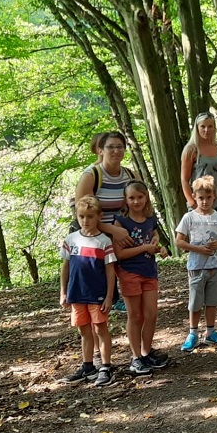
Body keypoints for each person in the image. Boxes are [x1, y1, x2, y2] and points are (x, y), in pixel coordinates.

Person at [74, 131, 138, 312]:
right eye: (111, 147)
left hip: (124, 233)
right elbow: (81, 213)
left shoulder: (131, 175)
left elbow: (141, 204)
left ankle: (129, 298)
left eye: (120, 147)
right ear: (100, 150)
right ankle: (102, 302)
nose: (116, 151)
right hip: (96, 235)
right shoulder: (92, 176)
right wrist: (111, 231)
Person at [113, 181, 170, 374]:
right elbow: (119, 254)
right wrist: (145, 248)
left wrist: (158, 246)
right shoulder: (121, 222)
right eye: (131, 198)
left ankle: (146, 353)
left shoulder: (150, 219)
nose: (136, 201)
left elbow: (154, 237)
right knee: (135, 315)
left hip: (149, 271)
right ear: (126, 200)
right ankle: (136, 357)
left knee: (151, 314)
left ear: (146, 197)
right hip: (129, 272)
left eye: (140, 197)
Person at [59, 196, 116, 387]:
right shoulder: (70, 240)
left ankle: (106, 367)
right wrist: (63, 292)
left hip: (97, 295)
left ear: (99, 216)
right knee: (84, 330)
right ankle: (88, 366)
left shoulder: (104, 241)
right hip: (77, 293)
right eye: (82, 216)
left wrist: (109, 296)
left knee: (100, 328)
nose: (86, 221)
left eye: (90, 216)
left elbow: (110, 271)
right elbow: (66, 267)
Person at [175, 176, 217, 351]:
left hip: (215, 265)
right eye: (201, 198)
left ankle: (211, 331)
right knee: (195, 301)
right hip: (196, 266)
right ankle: (192, 333)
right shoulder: (189, 217)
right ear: (194, 197)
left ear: (214, 196)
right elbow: (179, 241)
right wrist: (197, 249)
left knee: (212, 300)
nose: (205, 201)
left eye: (208, 197)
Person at [181, 112, 217, 222]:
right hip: (201, 203)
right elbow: (184, 179)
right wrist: (193, 203)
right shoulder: (191, 150)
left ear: (214, 128)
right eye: (203, 126)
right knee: (202, 238)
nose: (206, 130)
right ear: (197, 128)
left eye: (210, 126)